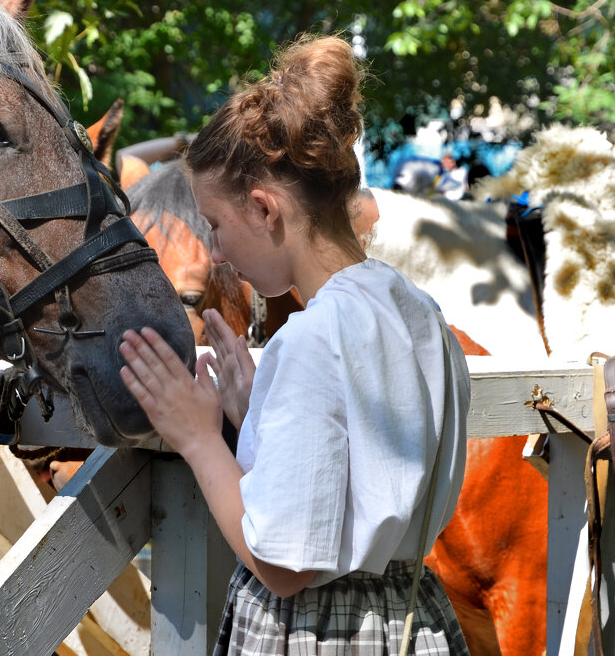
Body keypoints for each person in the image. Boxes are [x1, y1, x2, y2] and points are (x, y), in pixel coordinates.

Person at [117, 35, 471, 654]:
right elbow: (351, 472)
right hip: (414, 617)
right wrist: (257, 413)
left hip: (318, 633)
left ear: (264, 208)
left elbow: (283, 567)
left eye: (219, 226)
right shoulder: (422, 314)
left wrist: (199, 438)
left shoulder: (310, 338)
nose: (219, 252)